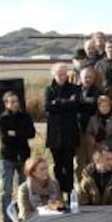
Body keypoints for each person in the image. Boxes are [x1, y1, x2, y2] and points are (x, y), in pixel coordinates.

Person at [0, 91, 35, 222]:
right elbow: (5, 138)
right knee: (7, 190)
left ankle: (22, 216)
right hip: (8, 157)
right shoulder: (2, 119)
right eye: (11, 102)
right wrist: (20, 133)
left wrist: (15, 132)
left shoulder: (25, 117)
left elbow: (31, 133)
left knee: (23, 188)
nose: (14, 104)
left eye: (16, 101)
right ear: (6, 103)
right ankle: (8, 221)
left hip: (24, 157)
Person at [44, 63, 80, 196]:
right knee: (57, 166)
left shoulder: (74, 88)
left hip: (69, 134)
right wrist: (65, 102)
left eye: (64, 74)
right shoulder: (49, 89)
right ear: (54, 74)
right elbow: (47, 106)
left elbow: (75, 104)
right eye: (59, 74)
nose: (62, 76)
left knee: (69, 166)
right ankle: (59, 193)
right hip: (55, 135)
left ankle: (70, 193)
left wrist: (57, 102)